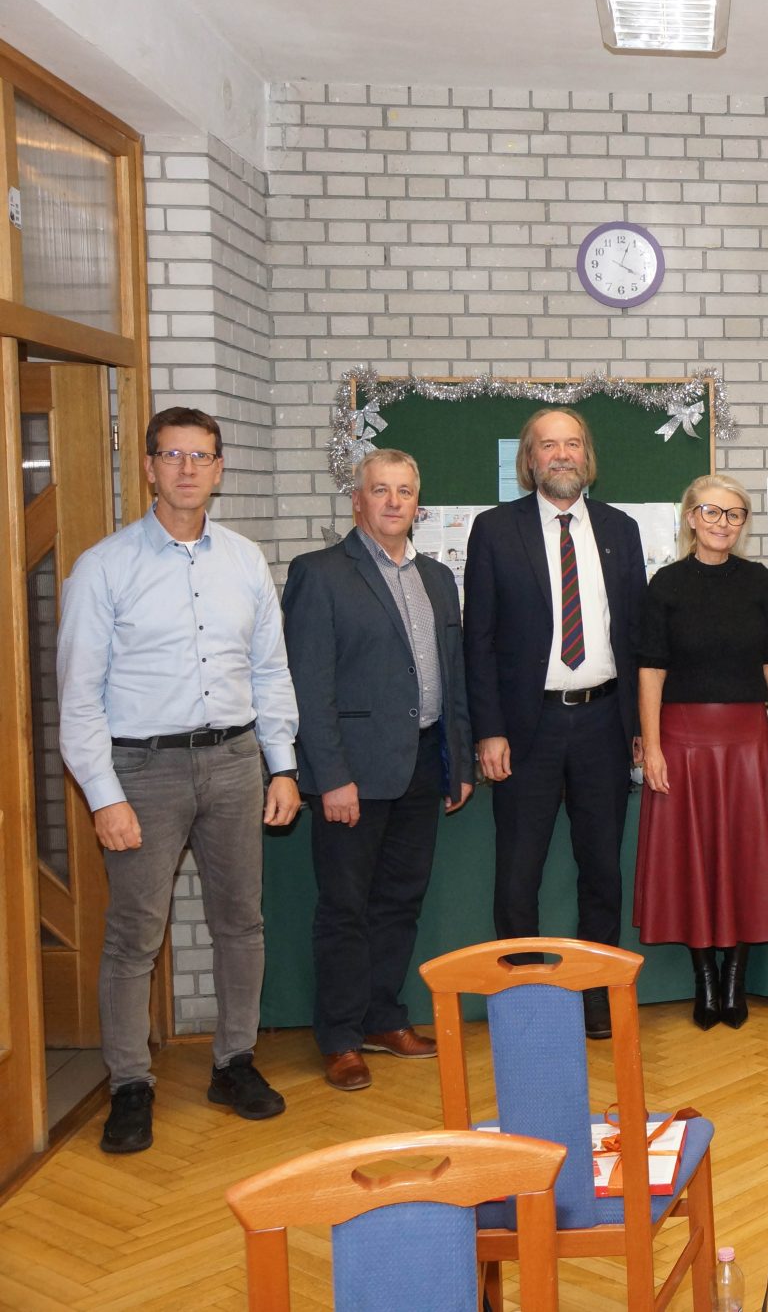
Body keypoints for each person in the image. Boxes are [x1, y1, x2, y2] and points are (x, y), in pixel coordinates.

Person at [56, 406, 301, 1153]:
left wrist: (282, 764)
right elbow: (78, 697)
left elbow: (270, 670)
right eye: (172, 455)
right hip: (143, 771)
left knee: (241, 923)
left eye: (201, 456)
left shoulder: (245, 561)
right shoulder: (104, 567)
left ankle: (234, 1062)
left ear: (219, 470)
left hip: (234, 761)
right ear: (149, 467)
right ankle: (130, 1083)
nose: (187, 469)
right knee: (134, 935)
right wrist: (104, 796)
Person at [282, 449, 472, 1091]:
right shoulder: (319, 573)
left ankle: (382, 1017)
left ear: (419, 503)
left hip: (422, 765)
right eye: (381, 490)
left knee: (399, 901)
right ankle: (340, 1037)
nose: (394, 502)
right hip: (354, 775)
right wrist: (331, 776)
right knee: (345, 908)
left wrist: (458, 761)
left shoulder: (437, 578)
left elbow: (453, 677)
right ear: (357, 499)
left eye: (405, 491)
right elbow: (309, 687)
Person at [463, 406, 645, 1039]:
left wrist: (640, 726)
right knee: (519, 873)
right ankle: (526, 999)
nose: (561, 455)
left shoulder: (621, 529)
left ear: (586, 456)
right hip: (526, 728)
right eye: (548, 445)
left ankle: (596, 996)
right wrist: (488, 730)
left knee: (602, 871)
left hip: (604, 723)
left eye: (572, 444)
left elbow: (635, 635)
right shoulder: (494, 530)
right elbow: (478, 640)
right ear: (530, 459)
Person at [635, 475, 768, 1030]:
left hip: (747, 741)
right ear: (691, 517)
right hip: (682, 743)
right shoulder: (665, 584)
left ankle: (735, 976)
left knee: (744, 859)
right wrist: (652, 746)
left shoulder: (758, 582)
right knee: (691, 861)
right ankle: (703, 978)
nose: (722, 523)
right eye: (711, 511)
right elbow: (651, 671)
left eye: (734, 514)